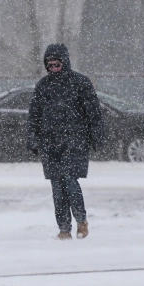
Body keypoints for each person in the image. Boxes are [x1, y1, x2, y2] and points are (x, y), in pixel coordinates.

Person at [28, 44, 104, 240]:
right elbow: (34, 116)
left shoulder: (80, 83)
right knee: (57, 188)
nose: (53, 67)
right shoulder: (43, 86)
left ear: (65, 62)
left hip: (74, 142)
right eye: (50, 64)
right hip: (50, 144)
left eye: (57, 64)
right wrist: (33, 138)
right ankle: (63, 229)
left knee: (70, 181)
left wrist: (97, 137)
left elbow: (94, 113)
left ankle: (81, 220)